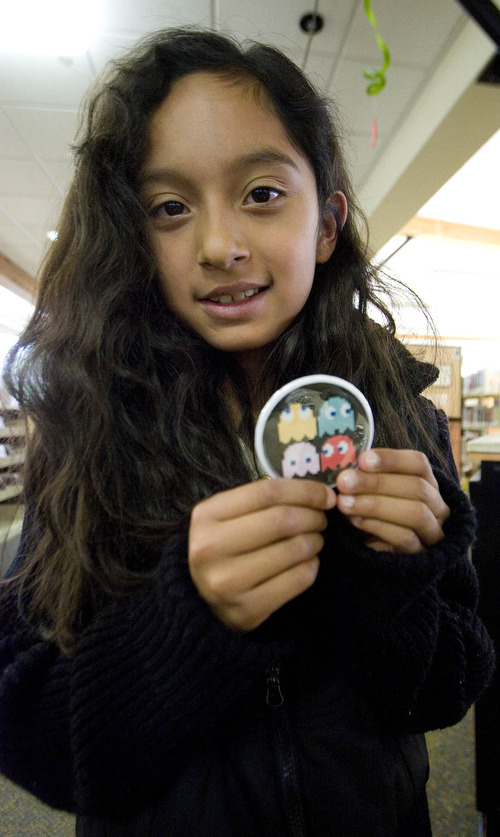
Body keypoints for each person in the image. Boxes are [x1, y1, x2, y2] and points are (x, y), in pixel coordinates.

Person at [0, 27, 494, 837]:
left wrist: (392, 582)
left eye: (262, 194)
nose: (220, 245)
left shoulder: (396, 417)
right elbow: (36, 743)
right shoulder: (87, 428)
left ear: (327, 224)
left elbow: (449, 688)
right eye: (170, 207)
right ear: (134, 233)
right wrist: (187, 623)